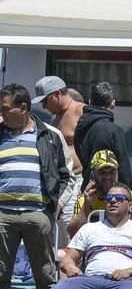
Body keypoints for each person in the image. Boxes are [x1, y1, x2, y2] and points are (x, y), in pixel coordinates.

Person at [0, 83, 73, 289]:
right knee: (0, 273)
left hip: (39, 214)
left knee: (45, 274)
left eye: (5, 109)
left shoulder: (49, 135)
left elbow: (67, 176)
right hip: (3, 215)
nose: (1, 113)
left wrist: (55, 207)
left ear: (23, 108)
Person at [33, 76, 85, 246]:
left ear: (56, 94)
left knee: (72, 231)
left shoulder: (81, 111)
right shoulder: (55, 120)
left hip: (78, 182)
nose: (44, 107)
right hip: (59, 184)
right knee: (58, 232)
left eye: (45, 101)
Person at [67, 149, 132, 237]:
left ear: (117, 173)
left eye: (112, 172)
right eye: (102, 172)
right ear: (92, 174)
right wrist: (86, 205)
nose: (107, 176)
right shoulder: (84, 199)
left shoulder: (128, 197)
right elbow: (72, 233)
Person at [74, 81, 132, 192]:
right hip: (110, 195)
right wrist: (127, 193)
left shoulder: (80, 127)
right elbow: (124, 170)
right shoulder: (114, 131)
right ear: (113, 103)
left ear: (90, 102)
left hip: (88, 191)